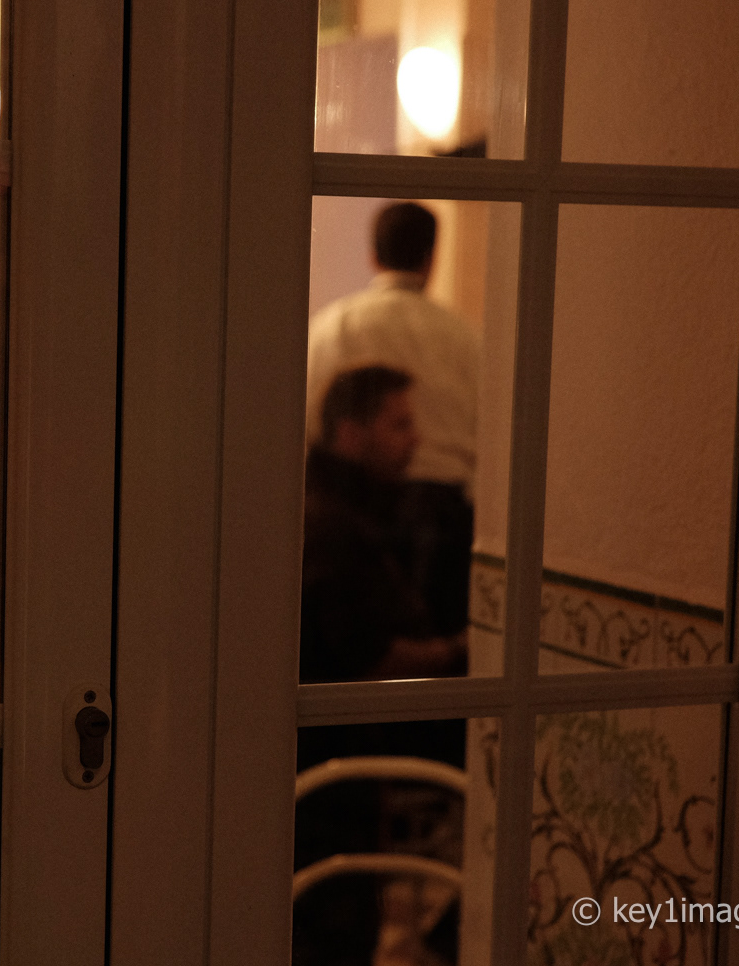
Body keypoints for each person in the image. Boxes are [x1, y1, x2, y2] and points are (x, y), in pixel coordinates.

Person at [295, 366, 465, 966]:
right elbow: (371, 657)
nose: (416, 440)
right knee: (335, 924)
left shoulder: (324, 505)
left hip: (328, 757)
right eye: (399, 425)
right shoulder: (333, 524)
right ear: (350, 433)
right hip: (335, 760)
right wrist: (459, 652)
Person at [306, 201, 479, 640]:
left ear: (373, 255)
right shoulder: (464, 338)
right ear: (430, 258)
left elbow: (307, 420)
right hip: (444, 518)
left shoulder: (331, 326)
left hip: (350, 504)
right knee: (433, 653)